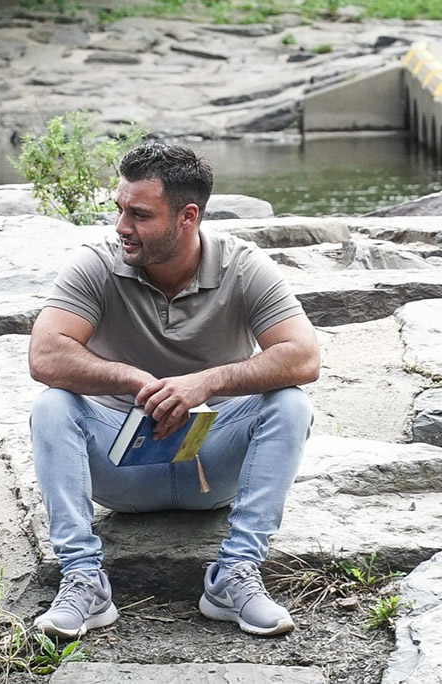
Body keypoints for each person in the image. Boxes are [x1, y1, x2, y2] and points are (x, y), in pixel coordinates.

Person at [28, 142, 319, 638]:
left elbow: (304, 356)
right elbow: (45, 356)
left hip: (213, 468)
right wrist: (134, 378)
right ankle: (82, 580)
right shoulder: (97, 263)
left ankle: (235, 576)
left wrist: (206, 382)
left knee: (291, 403)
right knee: (52, 406)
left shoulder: (243, 266)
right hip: (120, 469)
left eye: (139, 215)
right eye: (119, 209)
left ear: (188, 216)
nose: (122, 226)